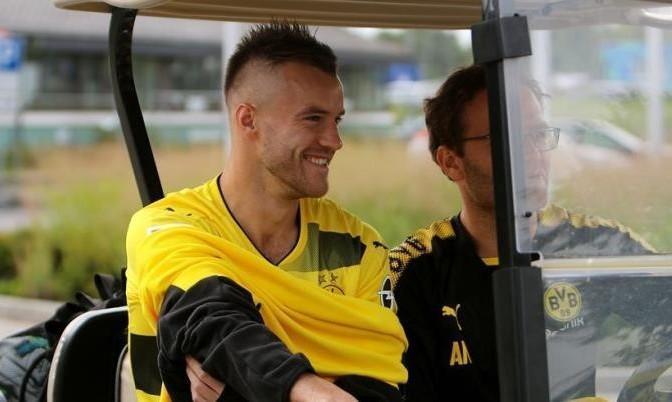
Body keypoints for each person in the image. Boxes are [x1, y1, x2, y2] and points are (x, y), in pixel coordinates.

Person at [125, 22, 407, 402]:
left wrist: (239, 392)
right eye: (313, 118)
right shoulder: (167, 226)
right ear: (248, 120)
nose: (334, 141)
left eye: (336, 120)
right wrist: (310, 390)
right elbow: (207, 317)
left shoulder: (357, 246)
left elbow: (381, 383)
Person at [389, 64, 656, 402]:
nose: (531, 155)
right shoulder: (412, 270)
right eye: (506, 139)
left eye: (538, 136)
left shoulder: (594, 244)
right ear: (451, 162)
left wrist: (639, 393)